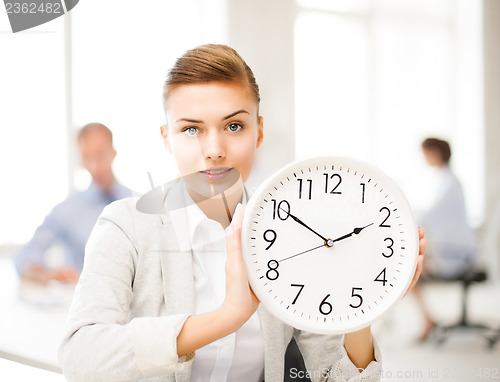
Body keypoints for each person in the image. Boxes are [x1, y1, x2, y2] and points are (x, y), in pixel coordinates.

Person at [58, 44, 425, 381]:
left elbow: (335, 377)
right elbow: (80, 359)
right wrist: (227, 317)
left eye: (234, 126)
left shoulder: (298, 232)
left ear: (258, 131)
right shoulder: (126, 226)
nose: (214, 149)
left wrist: (363, 314)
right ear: (166, 137)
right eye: (191, 130)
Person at [14, 123, 131, 284]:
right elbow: (26, 254)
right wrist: (44, 275)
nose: (94, 165)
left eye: (100, 155)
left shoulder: (137, 204)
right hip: (81, 302)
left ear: (113, 153)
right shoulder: (67, 210)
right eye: (87, 157)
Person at [412, 137, 476, 340]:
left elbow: (430, 215)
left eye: (426, 153)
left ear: (436, 153)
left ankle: (428, 320)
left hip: (455, 254)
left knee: (411, 272)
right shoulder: (447, 181)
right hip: (451, 249)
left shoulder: (450, 184)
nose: (424, 158)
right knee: (414, 267)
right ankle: (428, 319)